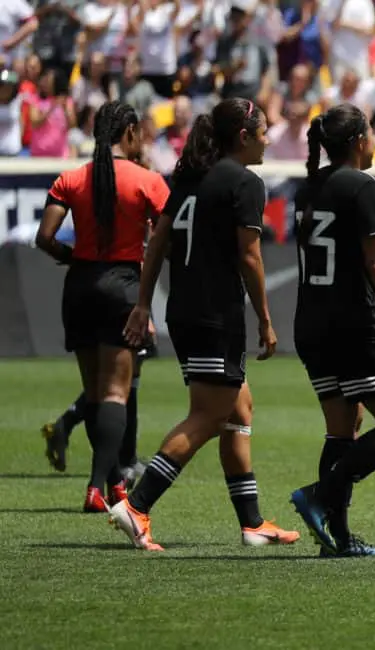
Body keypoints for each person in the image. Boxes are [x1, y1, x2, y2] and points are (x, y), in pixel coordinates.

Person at [112, 98, 299, 552]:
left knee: (239, 409)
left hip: (185, 309)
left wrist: (143, 304)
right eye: (262, 132)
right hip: (216, 313)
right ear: (243, 137)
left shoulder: (190, 178)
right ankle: (136, 506)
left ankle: (252, 523)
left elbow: (157, 242)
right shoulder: (244, 183)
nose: (267, 139)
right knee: (208, 415)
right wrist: (266, 320)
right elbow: (250, 255)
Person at [288, 103, 375, 558]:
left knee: (342, 428)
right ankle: (322, 494)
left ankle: (336, 540)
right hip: (352, 325)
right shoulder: (362, 186)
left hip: (310, 322)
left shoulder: (308, 187)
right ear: (360, 141)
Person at [34, 101, 168, 513]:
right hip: (122, 286)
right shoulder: (148, 180)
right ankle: (97, 487)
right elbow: (167, 236)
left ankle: (112, 485)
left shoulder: (71, 178)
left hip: (79, 287)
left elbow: (44, 237)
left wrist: (72, 256)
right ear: (128, 132)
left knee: (94, 393)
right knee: (116, 393)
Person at [40, 332, 154, 483]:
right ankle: (125, 461)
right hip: (119, 311)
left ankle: (122, 461)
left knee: (102, 374)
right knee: (125, 367)